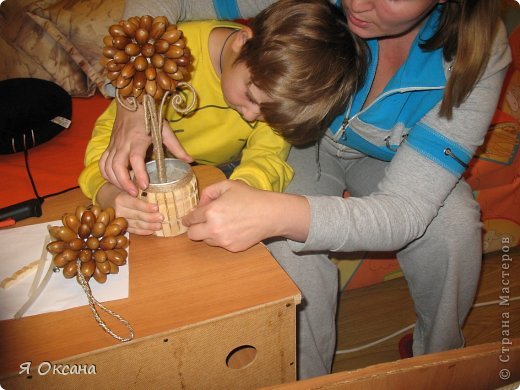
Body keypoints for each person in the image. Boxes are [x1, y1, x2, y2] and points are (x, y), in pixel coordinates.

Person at [103, 0, 512, 380]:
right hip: (299, 144)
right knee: (284, 249)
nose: (357, 4)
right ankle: (308, 379)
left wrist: (279, 213)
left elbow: (405, 210)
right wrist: (135, 97)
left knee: (454, 224)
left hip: (393, 164)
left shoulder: (477, 59)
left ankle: (438, 363)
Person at [80, 0, 366, 235]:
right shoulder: (169, 56)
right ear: (241, 43)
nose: (255, 117)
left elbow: (268, 157)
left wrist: (245, 189)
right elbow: (110, 140)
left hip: (227, 171)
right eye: (251, 98)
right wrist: (105, 192)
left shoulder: (279, 94)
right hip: (150, 172)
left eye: (271, 115)